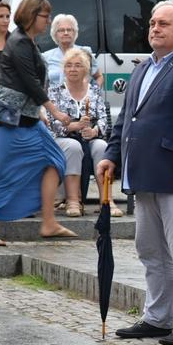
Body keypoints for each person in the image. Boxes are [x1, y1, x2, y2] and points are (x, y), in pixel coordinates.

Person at [98, 2, 173, 345]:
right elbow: (127, 119)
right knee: (150, 250)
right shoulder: (141, 69)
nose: (155, 28)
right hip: (143, 172)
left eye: (164, 23)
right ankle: (157, 316)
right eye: (152, 23)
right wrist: (112, 155)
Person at [0, 0, 75, 246]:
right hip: (9, 120)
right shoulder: (18, 43)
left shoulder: (27, 41)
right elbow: (30, 83)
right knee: (2, 174)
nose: (48, 21)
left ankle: (48, 223)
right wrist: (54, 111)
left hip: (28, 119)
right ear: (31, 16)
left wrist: (40, 112)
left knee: (56, 161)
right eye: (45, 16)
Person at [47, 48, 122, 218]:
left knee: (102, 146)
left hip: (89, 137)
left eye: (78, 65)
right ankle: (73, 200)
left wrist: (94, 131)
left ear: (86, 69)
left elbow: (103, 118)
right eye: (69, 65)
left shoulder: (94, 91)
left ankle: (107, 200)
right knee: (73, 146)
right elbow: (51, 123)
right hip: (63, 138)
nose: (73, 69)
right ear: (64, 69)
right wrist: (75, 126)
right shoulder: (55, 91)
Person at [42, 14, 103, 88]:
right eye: (61, 30)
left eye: (69, 30)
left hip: (81, 95)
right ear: (55, 34)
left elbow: (99, 76)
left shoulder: (85, 52)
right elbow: (42, 84)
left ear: (74, 33)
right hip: (55, 95)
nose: (66, 33)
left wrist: (94, 91)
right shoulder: (46, 57)